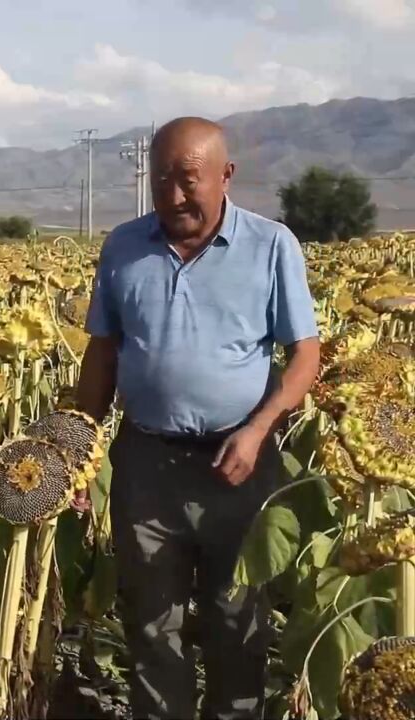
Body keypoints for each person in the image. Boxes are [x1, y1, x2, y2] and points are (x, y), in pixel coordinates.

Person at [77, 117, 320, 720]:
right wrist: (75, 453)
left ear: (225, 176)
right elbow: (102, 355)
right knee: (151, 621)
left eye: (189, 180)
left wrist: (259, 426)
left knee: (237, 618)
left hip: (236, 465)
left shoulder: (270, 245)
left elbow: (305, 356)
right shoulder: (124, 246)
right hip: (146, 464)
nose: (174, 196)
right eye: (162, 180)